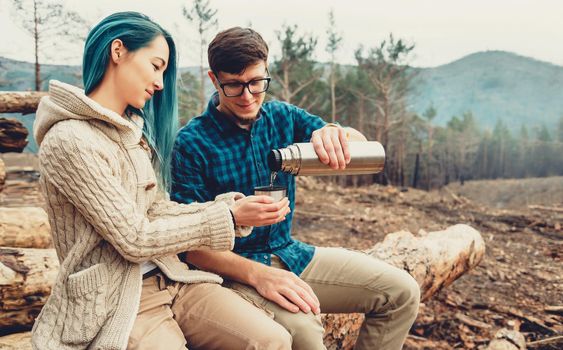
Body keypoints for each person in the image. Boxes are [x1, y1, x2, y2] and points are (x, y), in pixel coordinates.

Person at [31, 13, 292, 350]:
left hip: (173, 279)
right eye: (156, 66)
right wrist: (227, 218)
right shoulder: (70, 141)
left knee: (272, 340)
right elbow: (134, 237)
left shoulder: (129, 133)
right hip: (118, 298)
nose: (160, 83)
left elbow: (155, 210)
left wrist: (227, 206)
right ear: (118, 51)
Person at [171, 27, 421, 350]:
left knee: (401, 293)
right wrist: (258, 275)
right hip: (233, 273)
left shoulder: (283, 117)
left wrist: (335, 132)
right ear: (214, 80)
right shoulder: (192, 143)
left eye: (256, 82)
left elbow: (356, 144)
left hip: (290, 253)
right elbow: (189, 246)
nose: (248, 96)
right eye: (234, 85)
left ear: (266, 72)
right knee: (304, 334)